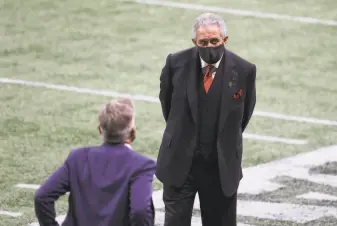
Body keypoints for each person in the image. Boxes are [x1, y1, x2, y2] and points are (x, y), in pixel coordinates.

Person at [156, 13, 257, 226]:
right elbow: (167, 106)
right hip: (180, 163)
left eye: (214, 41)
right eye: (203, 42)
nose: (209, 46)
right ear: (195, 42)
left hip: (220, 168)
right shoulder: (176, 63)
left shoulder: (244, 70)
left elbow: (243, 115)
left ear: (225, 40)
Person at [34, 98, 156, 226]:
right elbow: (140, 211)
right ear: (132, 132)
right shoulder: (141, 165)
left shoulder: (78, 158)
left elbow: (42, 197)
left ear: (100, 129)